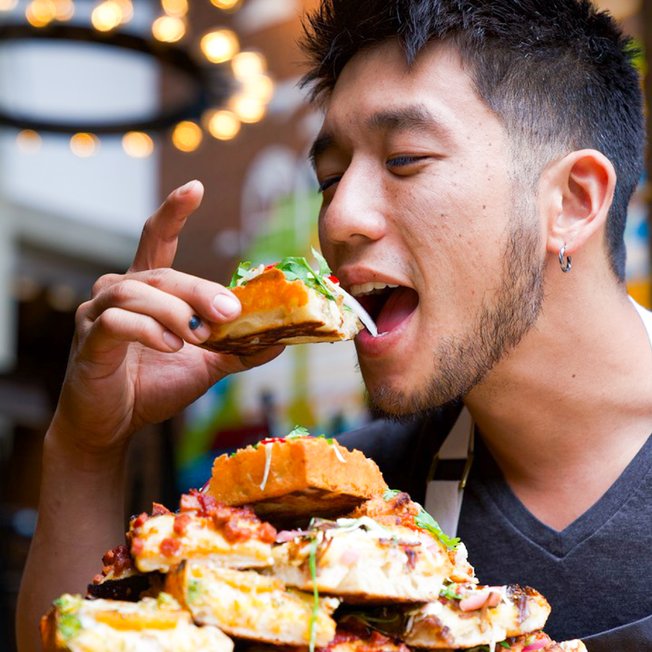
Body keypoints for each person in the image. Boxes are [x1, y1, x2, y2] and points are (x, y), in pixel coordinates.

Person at [16, 0, 652, 650]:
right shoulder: (350, 503)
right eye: (329, 177)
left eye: (405, 158)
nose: (338, 217)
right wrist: (89, 447)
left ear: (574, 201)